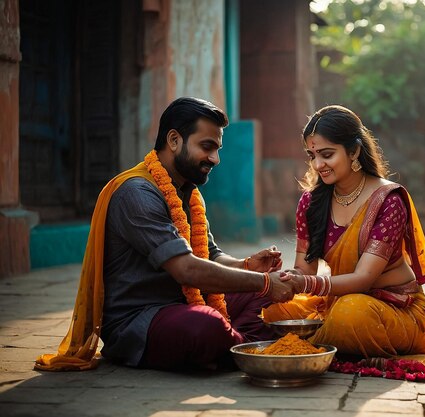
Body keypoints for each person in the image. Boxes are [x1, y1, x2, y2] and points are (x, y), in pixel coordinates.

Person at [36, 97, 298, 372]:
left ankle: (232, 348)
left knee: (268, 295)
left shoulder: (188, 191)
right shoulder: (137, 193)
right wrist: (263, 282)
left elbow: (208, 255)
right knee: (206, 325)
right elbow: (186, 269)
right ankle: (238, 346)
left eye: (217, 149)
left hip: (182, 302)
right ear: (174, 140)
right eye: (207, 147)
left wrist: (247, 266)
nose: (215, 159)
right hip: (139, 320)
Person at [262, 105, 425, 358]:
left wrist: (305, 283)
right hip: (336, 300)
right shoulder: (311, 203)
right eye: (312, 156)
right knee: (272, 310)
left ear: (354, 150)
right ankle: (318, 343)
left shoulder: (388, 201)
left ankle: (307, 346)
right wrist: (285, 277)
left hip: (390, 308)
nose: (317, 165)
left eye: (326, 154)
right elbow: (305, 270)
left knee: (350, 314)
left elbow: (363, 279)